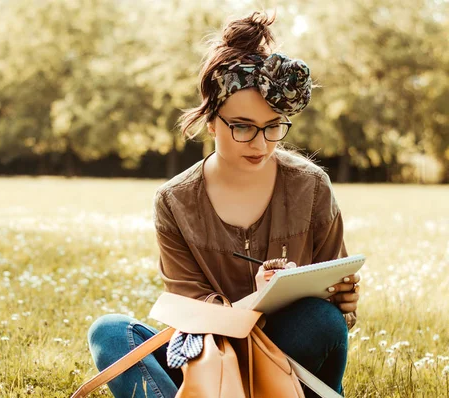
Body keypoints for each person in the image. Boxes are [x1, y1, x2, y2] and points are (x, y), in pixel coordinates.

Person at [87, 11, 360, 398]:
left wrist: (344, 302)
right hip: (208, 358)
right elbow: (192, 314)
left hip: (286, 358)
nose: (261, 144)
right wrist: (258, 298)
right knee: (111, 332)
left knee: (321, 319)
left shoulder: (312, 187)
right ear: (212, 121)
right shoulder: (174, 201)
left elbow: (333, 308)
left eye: (273, 126)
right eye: (243, 126)